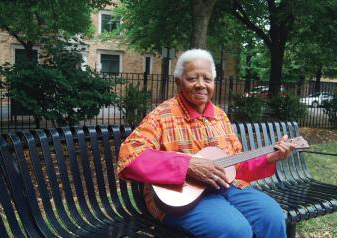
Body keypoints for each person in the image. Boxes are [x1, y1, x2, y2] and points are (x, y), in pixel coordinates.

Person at [117, 49, 295, 238]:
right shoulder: (161, 116)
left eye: (207, 79)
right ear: (179, 81)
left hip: (225, 187)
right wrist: (187, 166)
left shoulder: (220, 117)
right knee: (235, 230)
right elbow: (129, 158)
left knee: (272, 217)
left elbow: (234, 166)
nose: (201, 85)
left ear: (213, 83)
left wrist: (269, 158)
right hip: (178, 197)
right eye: (192, 78)